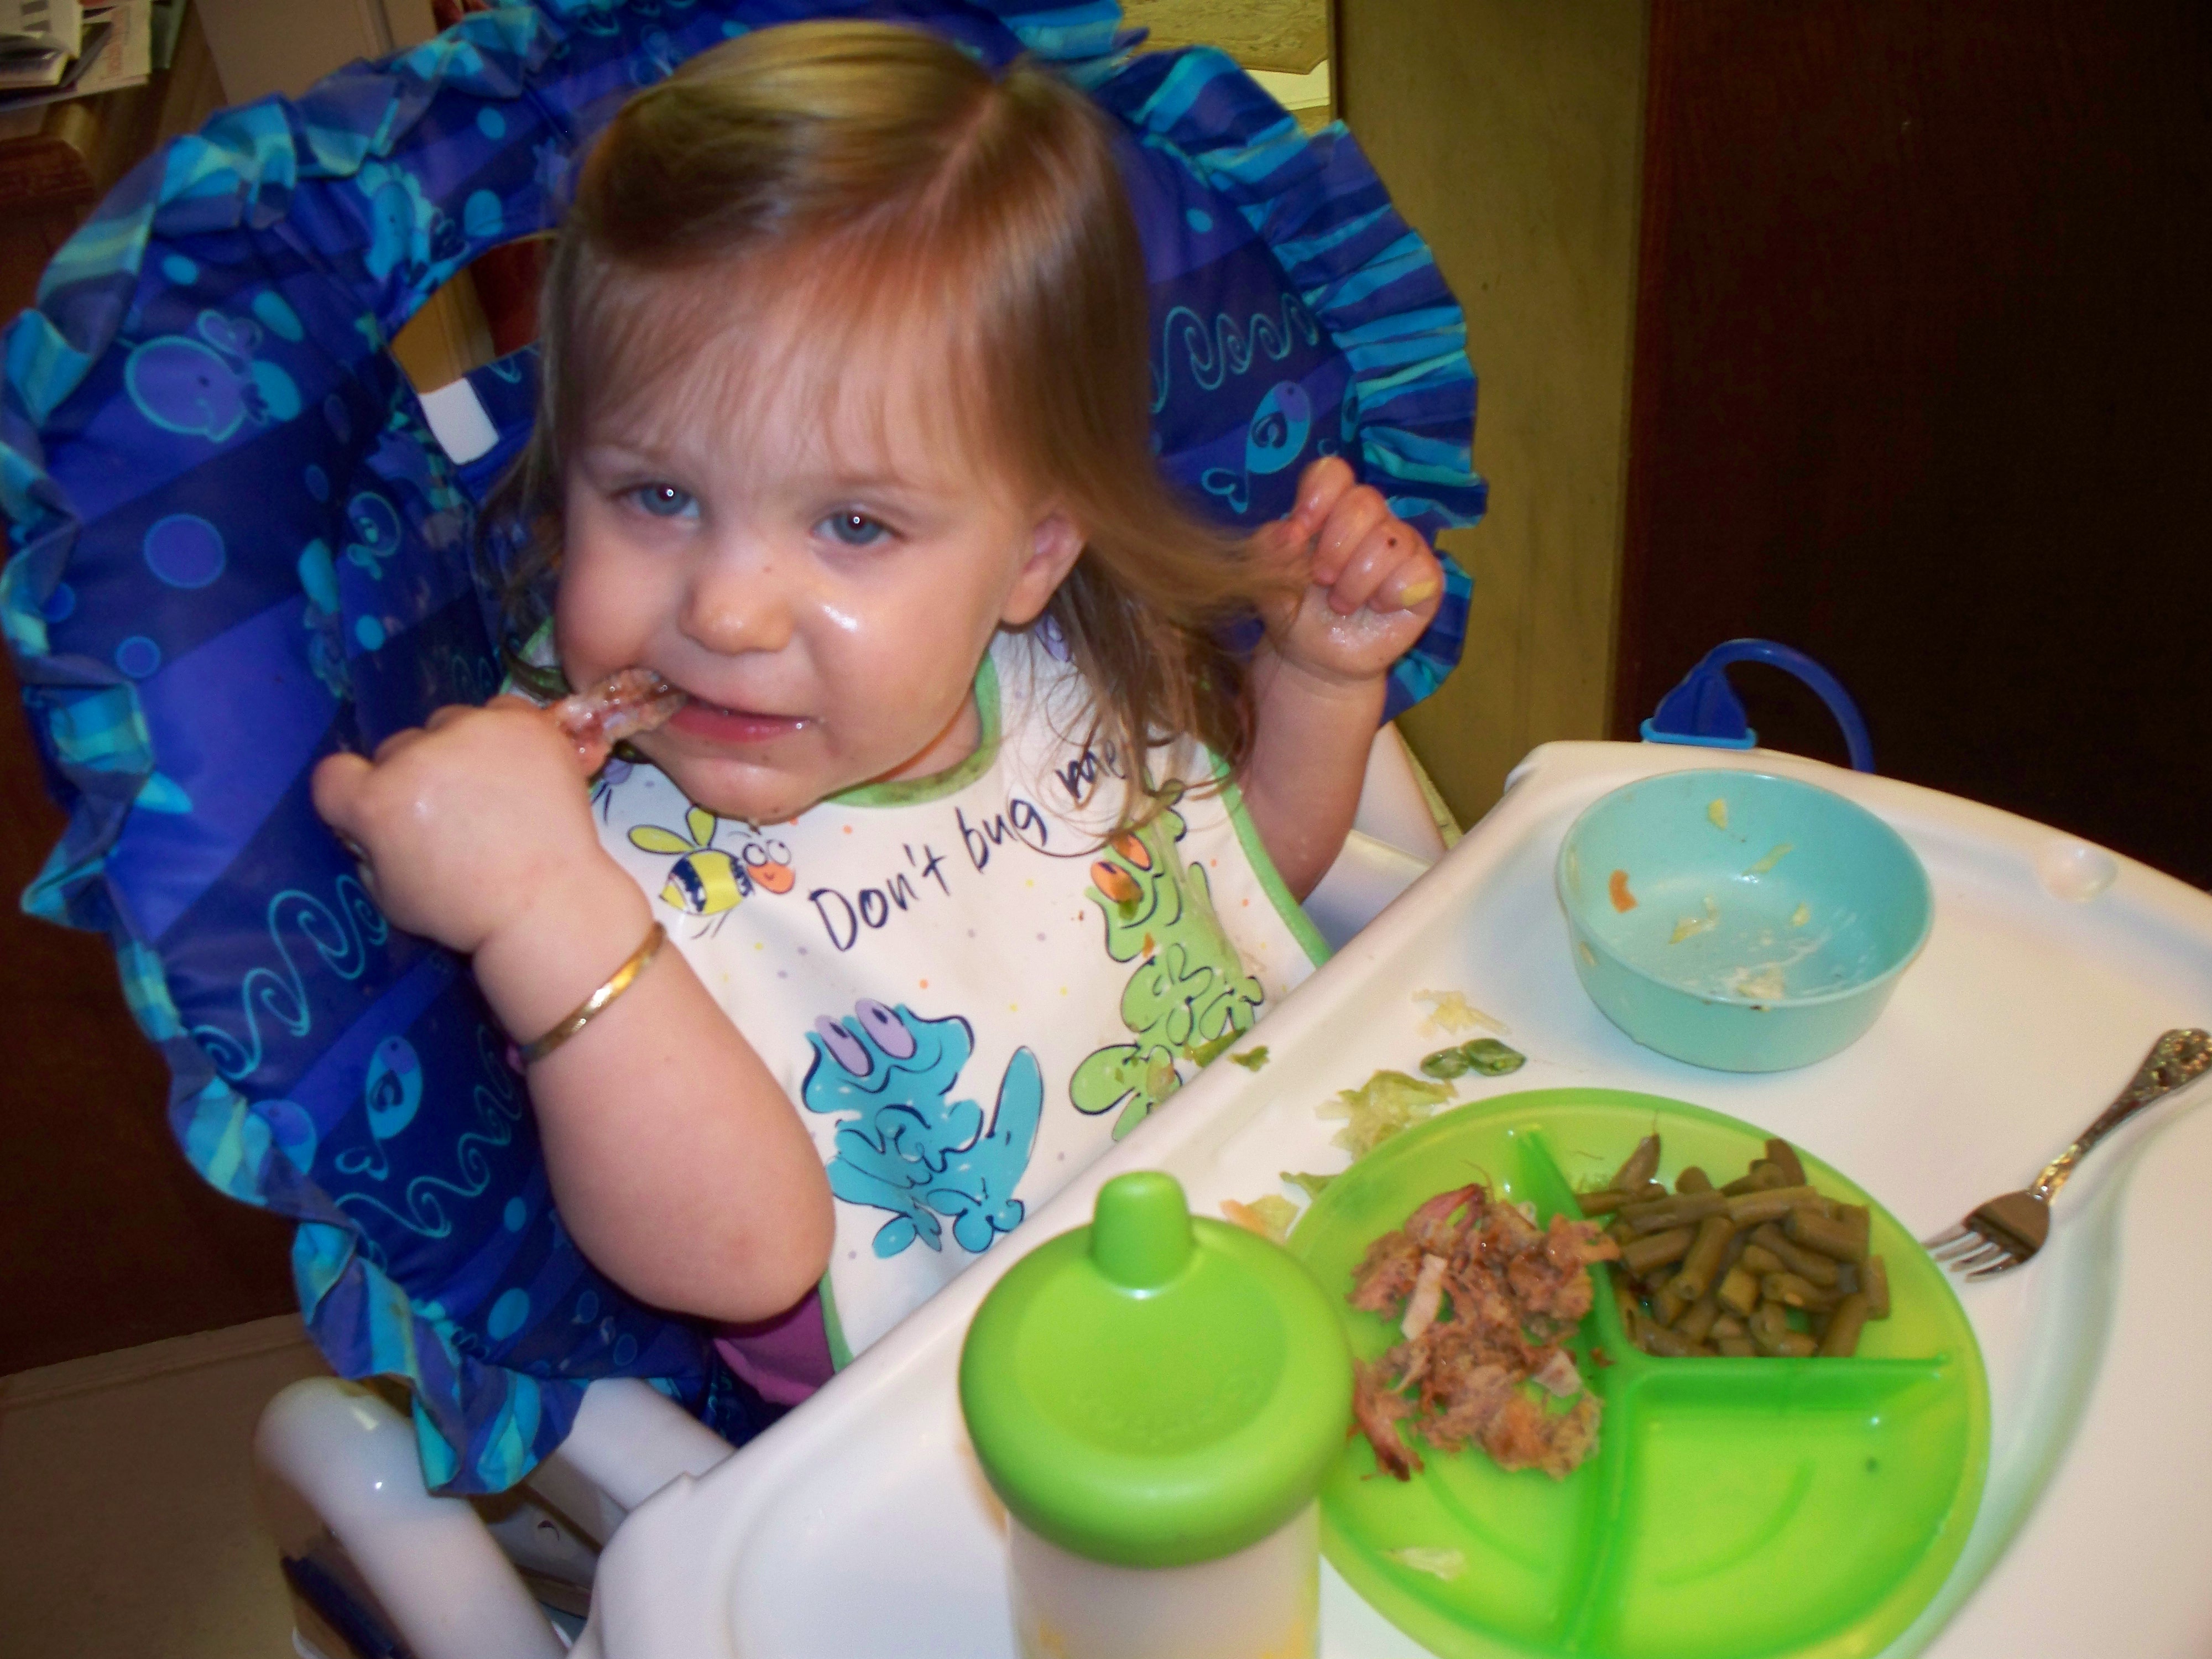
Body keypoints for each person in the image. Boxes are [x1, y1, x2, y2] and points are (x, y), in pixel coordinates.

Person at [310, 19, 1448, 1404]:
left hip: (1279, 1253)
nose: (729, 612)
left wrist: (1315, 681)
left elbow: (1235, 894)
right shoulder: (565, 846)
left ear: (1030, 558)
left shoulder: (1046, 675)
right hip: (975, 1432)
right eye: (656, 496)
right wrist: (538, 909)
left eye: (853, 523)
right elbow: (743, 1262)